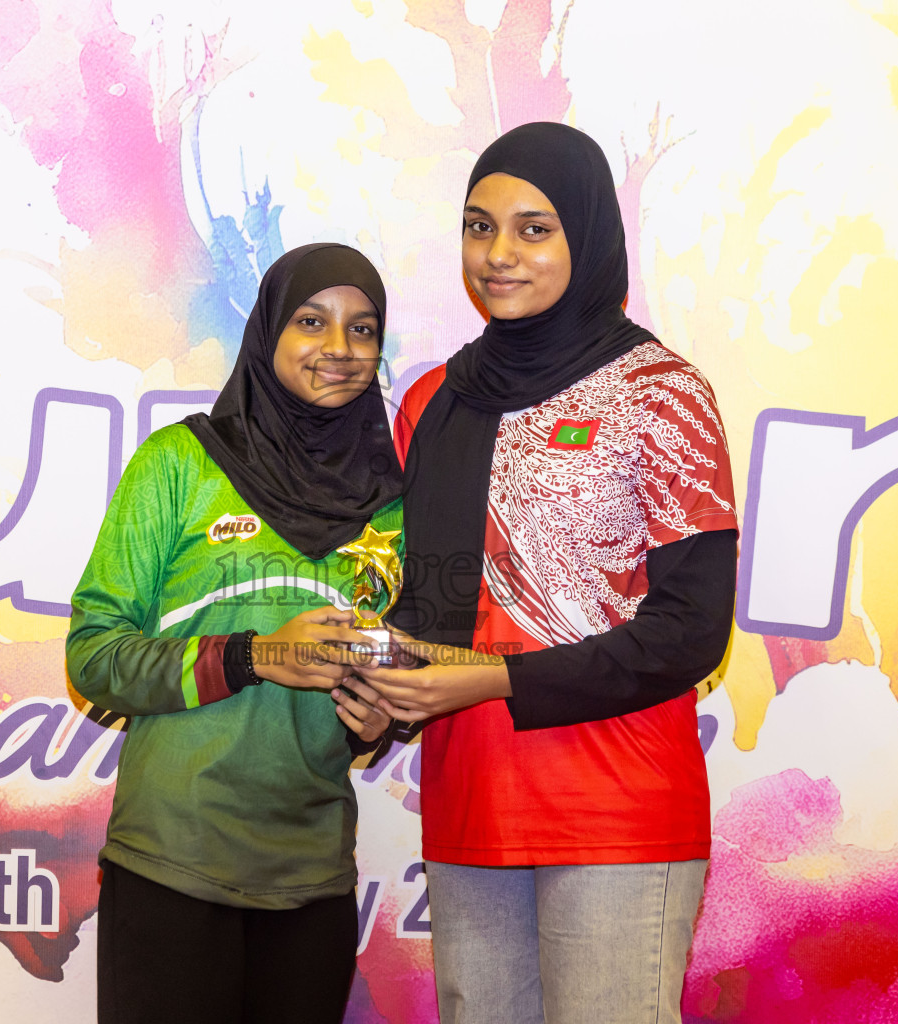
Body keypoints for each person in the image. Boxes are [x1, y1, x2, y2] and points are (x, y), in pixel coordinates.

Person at [358, 122, 739, 1024]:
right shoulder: (431, 401)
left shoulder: (661, 394)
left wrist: (492, 679)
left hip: (620, 814)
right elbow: (432, 614)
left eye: (534, 229)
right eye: (479, 226)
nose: (498, 255)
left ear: (588, 234)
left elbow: (691, 633)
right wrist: (371, 690)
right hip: (469, 811)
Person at [66, 242, 403, 1024]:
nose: (339, 350)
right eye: (313, 322)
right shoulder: (179, 464)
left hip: (312, 877)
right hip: (173, 865)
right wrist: (254, 656)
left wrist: (383, 718)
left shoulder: (390, 509)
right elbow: (93, 656)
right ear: (269, 333)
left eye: (363, 330)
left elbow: (379, 678)